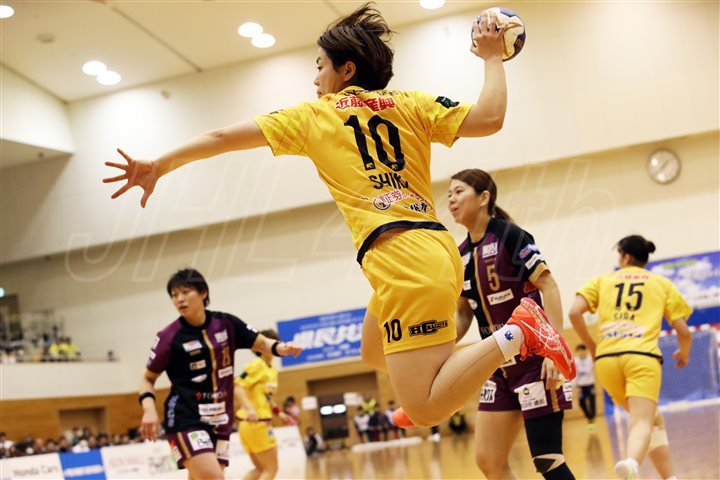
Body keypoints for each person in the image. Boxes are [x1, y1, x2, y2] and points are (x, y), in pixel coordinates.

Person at [106, 3, 574, 429]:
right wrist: (492, 57)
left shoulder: (315, 116)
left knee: (427, 410)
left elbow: (220, 137)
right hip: (429, 249)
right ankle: (437, 375)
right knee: (372, 350)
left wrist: (160, 164)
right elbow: (491, 118)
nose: (315, 79)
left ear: (346, 70)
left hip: (402, 260)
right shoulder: (410, 103)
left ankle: (517, 333)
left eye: (319, 66)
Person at [449, 168, 576, 480]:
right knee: (489, 461)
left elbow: (549, 286)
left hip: (534, 363)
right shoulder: (459, 255)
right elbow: (464, 312)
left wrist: (553, 353)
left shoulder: (510, 236)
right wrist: (439, 346)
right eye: (449, 194)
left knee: (547, 460)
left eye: (459, 192)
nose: (451, 200)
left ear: (484, 198)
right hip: (496, 367)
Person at [138, 268, 301, 480]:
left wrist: (282, 348)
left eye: (185, 292)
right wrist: (149, 409)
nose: (179, 299)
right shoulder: (169, 337)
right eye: (174, 295)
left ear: (203, 293)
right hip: (186, 419)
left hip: (220, 421)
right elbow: (147, 378)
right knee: (214, 477)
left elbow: (261, 343)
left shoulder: (226, 323)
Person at [569, 235, 693, 480]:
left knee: (652, 420)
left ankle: (670, 478)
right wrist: (684, 353)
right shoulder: (661, 283)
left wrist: (592, 345)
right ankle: (631, 465)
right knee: (642, 422)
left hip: (607, 360)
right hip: (641, 358)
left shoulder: (603, 281)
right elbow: (684, 332)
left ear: (625, 257)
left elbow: (574, 312)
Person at [234, 328, 292, 480]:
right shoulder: (257, 365)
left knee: (260, 470)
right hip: (255, 423)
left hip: (253, 424)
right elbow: (238, 387)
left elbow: (267, 396)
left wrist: (279, 412)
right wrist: (250, 409)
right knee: (271, 469)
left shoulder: (271, 370)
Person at [573, 344, 596, 431]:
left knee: (592, 402)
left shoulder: (590, 359)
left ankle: (592, 418)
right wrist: (575, 386)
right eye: (579, 352)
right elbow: (574, 374)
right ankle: (589, 417)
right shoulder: (575, 361)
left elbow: (590, 368)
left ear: (585, 351)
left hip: (590, 384)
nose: (581, 353)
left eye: (582, 351)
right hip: (581, 386)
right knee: (581, 403)